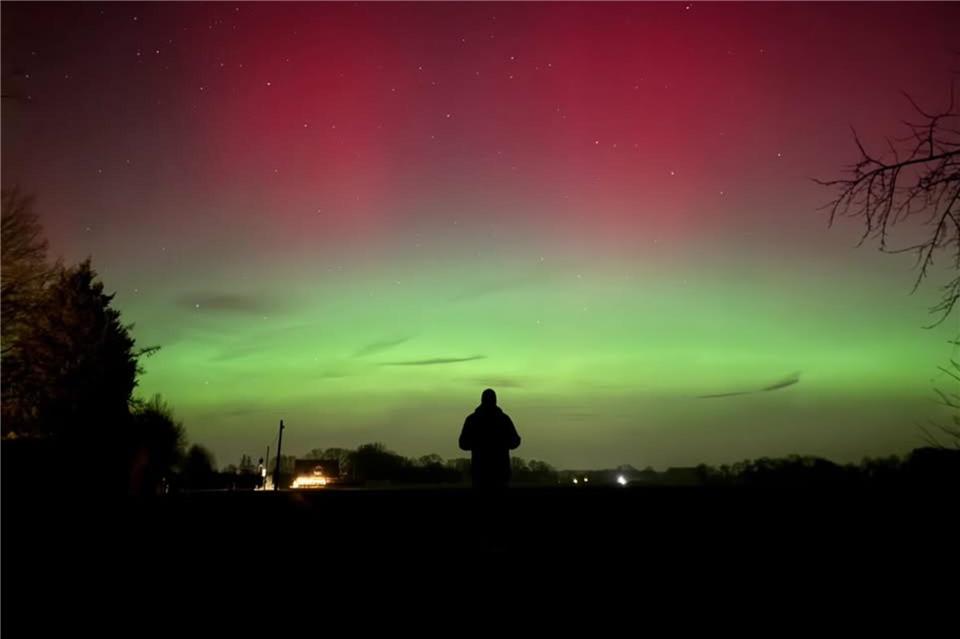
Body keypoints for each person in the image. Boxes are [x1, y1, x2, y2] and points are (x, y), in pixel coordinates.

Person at [458, 388, 521, 488]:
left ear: (482, 400)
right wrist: (502, 444)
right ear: (495, 400)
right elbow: (516, 441)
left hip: (480, 471)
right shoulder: (504, 419)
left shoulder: (472, 419)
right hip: (500, 471)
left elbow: (462, 443)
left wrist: (477, 444)